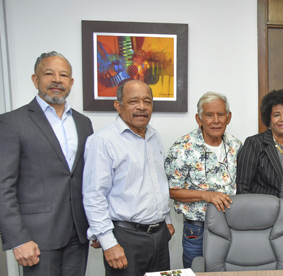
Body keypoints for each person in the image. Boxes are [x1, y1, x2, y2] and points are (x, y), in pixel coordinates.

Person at [0, 51, 93, 276]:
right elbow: (3, 186)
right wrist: (18, 239)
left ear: (70, 83)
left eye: (63, 75)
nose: (56, 80)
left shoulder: (83, 123)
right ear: (35, 80)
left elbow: (88, 179)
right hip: (36, 237)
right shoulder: (12, 122)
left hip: (78, 233)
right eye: (49, 74)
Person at [82, 80, 174, 276]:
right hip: (125, 237)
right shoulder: (103, 141)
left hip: (159, 236)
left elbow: (157, 182)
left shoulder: (154, 137)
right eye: (133, 101)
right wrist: (108, 243)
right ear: (118, 105)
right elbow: (94, 196)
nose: (141, 107)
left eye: (147, 101)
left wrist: (166, 219)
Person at [164, 92, 241, 268]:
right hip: (198, 229)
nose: (216, 120)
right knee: (197, 271)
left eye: (221, 114)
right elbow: (171, 190)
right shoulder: (182, 148)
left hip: (232, 227)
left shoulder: (236, 145)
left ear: (228, 118)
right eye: (209, 115)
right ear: (199, 119)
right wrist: (206, 195)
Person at [237, 89, 283, 237]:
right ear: (269, 120)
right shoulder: (255, 144)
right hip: (265, 224)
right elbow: (242, 188)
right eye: (276, 115)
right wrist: (257, 220)